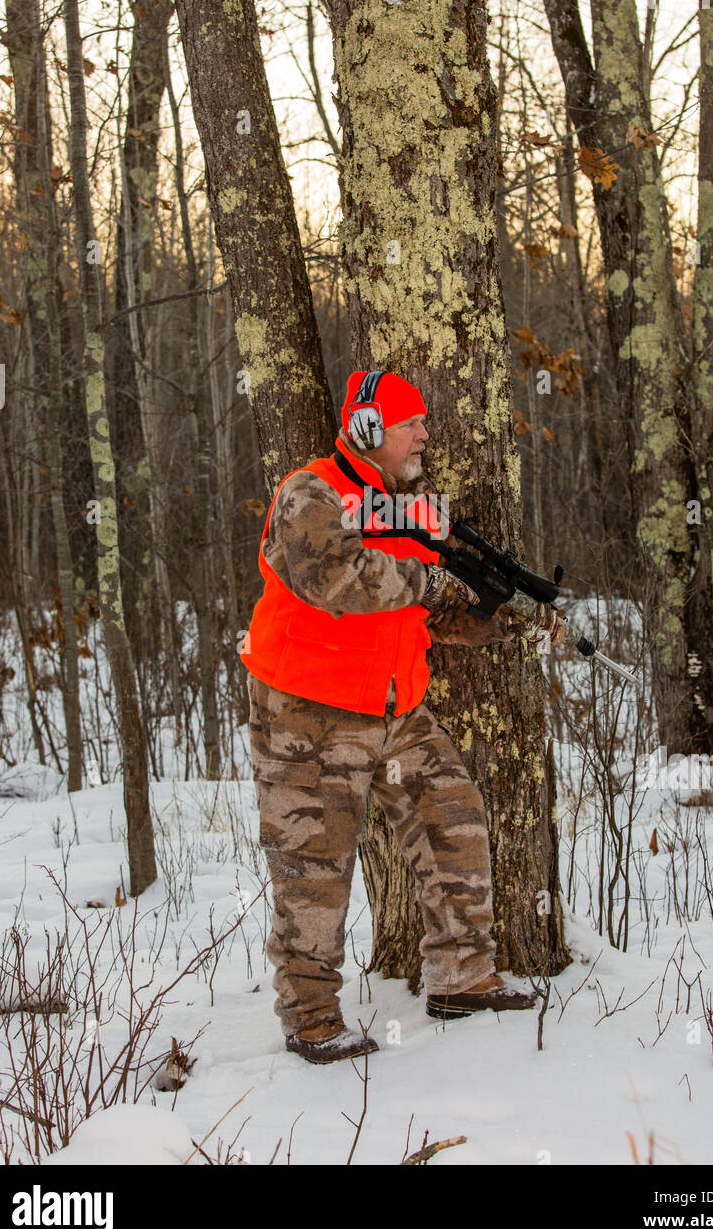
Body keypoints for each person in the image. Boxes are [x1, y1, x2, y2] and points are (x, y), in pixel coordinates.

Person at [241, 369, 566, 1064]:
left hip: (396, 708)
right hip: (310, 712)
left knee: (455, 815)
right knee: (313, 868)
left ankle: (461, 977)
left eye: (422, 422)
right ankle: (311, 1020)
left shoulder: (405, 506)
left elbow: (430, 610)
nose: (424, 433)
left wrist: (503, 618)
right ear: (366, 430)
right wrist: (436, 582)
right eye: (409, 422)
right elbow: (338, 581)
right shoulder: (313, 493)